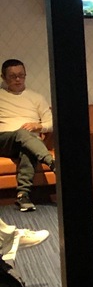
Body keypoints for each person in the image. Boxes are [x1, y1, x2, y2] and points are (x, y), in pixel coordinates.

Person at [0, 60, 55, 212]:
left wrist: (39, 126)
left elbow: (52, 122)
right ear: (3, 77)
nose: (18, 79)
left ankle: (23, 195)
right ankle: (51, 162)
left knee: (28, 148)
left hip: (28, 142)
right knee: (23, 133)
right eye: (13, 76)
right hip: (4, 141)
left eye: (21, 75)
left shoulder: (37, 98)